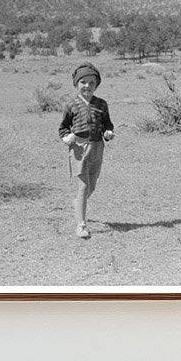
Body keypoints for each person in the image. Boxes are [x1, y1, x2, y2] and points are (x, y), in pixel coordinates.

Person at [59, 62, 114, 239]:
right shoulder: (71, 105)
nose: (87, 86)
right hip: (79, 148)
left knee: (92, 185)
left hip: (97, 146)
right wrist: (68, 137)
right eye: (83, 82)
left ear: (96, 85)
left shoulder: (102, 104)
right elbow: (63, 127)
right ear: (76, 84)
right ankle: (81, 225)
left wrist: (108, 133)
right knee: (83, 185)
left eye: (91, 83)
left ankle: (78, 205)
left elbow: (108, 124)